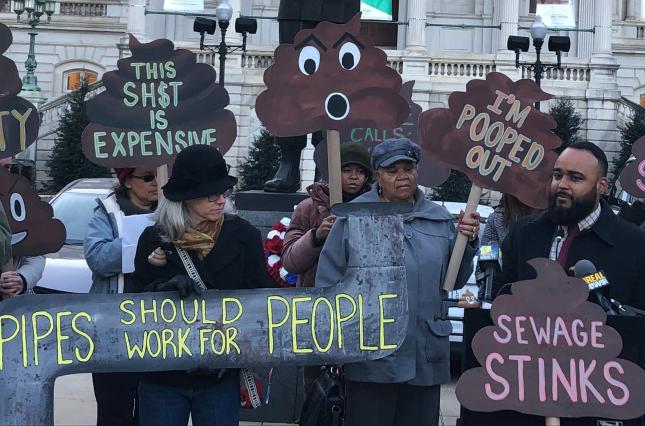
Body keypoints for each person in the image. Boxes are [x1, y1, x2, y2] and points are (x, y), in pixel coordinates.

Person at [315, 138, 480, 426]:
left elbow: (453, 280)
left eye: (409, 168)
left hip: (424, 353)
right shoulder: (353, 217)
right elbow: (328, 283)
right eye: (392, 170)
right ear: (377, 175)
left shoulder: (439, 219)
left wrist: (467, 244)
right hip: (371, 358)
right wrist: (335, 344)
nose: (403, 176)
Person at [132, 145, 270, 426]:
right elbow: (133, 302)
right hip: (164, 375)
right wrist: (162, 289)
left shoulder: (244, 236)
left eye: (224, 192)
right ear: (186, 197)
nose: (221, 200)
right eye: (212, 194)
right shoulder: (154, 238)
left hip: (219, 375)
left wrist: (237, 353)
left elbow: (258, 301)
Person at [494, 142, 645, 309]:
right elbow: (499, 294)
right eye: (557, 175)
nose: (562, 185)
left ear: (601, 186)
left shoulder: (635, 244)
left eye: (575, 178)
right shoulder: (524, 232)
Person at [84, 166, 158, 426]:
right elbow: (97, 258)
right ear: (127, 181)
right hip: (113, 331)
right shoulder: (107, 211)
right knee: (114, 410)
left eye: (159, 176)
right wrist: (142, 238)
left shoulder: (172, 210)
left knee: (153, 412)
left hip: (157, 331)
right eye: (148, 177)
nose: (155, 183)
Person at [265, 0, 360, 192]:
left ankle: (325, 165)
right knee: (291, 77)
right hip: (296, 9)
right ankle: (288, 164)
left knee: (333, 80)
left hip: (339, 11)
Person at [282, 141, 372, 288]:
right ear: (334, 171)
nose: (354, 177)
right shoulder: (308, 208)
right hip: (318, 299)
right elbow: (290, 262)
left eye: (361, 172)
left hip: (362, 296)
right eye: (347, 170)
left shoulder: (373, 208)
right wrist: (316, 237)